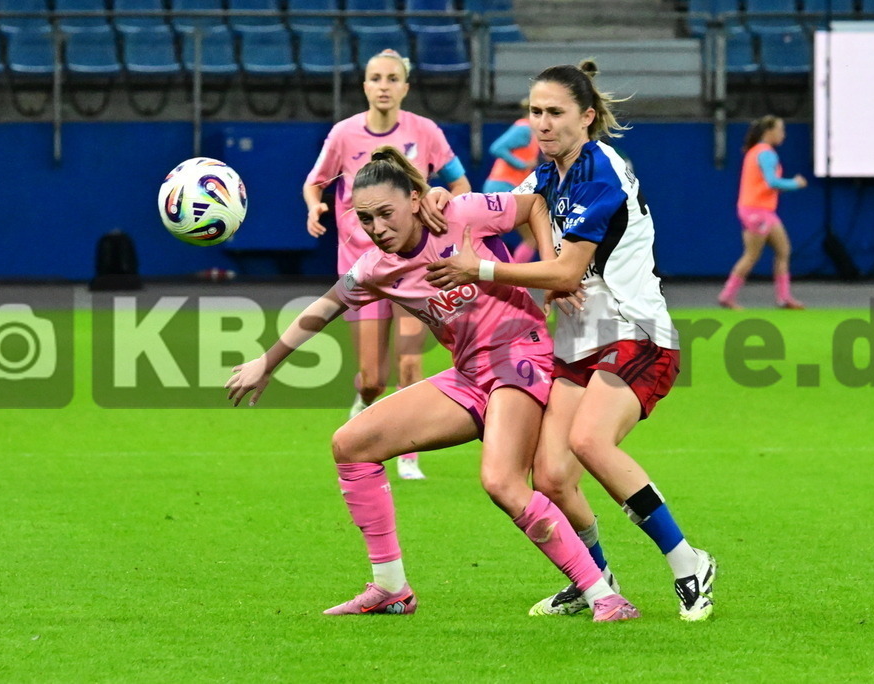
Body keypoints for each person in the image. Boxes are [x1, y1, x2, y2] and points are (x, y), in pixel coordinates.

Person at [228, 146, 639, 622]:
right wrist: (268, 361)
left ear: (416, 200)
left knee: (502, 482)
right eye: (366, 218)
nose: (377, 227)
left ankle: (604, 595)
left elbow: (533, 205)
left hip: (522, 357)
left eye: (386, 213)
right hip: (468, 376)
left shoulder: (461, 215)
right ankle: (390, 588)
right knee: (350, 444)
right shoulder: (376, 268)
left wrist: (552, 275)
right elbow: (324, 307)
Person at [425, 61, 717, 622]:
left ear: (586, 117)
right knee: (552, 476)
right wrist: (439, 197)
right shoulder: (549, 173)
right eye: (535, 112)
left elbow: (564, 273)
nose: (542, 123)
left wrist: (480, 270)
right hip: (578, 344)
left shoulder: (599, 174)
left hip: (637, 332)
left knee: (590, 441)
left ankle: (689, 563)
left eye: (554, 112)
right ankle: (595, 579)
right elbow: (505, 209)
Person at [303, 49, 471, 481]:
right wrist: (314, 207)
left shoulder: (425, 131)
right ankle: (365, 402)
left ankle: (407, 453)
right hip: (363, 267)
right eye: (375, 77)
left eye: (392, 78)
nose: (383, 85)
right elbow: (314, 182)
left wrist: (447, 201)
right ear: (364, 85)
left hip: (415, 264)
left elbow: (459, 180)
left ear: (405, 87)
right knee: (374, 377)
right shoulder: (343, 134)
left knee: (411, 361)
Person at [718, 115, 808, 310]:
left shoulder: (757, 152)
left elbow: (766, 184)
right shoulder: (766, 153)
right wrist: (796, 183)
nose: (783, 134)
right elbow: (772, 182)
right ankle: (727, 295)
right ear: (769, 131)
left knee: (783, 250)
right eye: (780, 129)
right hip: (757, 211)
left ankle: (784, 298)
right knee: (752, 255)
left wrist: (783, 186)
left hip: (760, 210)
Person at [483, 105, 541, 264]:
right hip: (504, 187)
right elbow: (497, 147)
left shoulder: (533, 132)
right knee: (531, 238)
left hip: (505, 187)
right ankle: (513, 280)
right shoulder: (525, 129)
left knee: (488, 237)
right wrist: (523, 164)